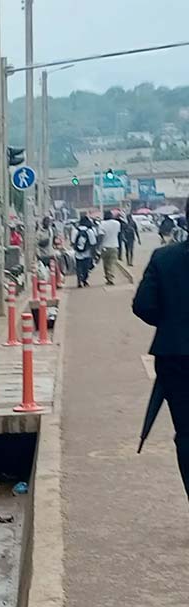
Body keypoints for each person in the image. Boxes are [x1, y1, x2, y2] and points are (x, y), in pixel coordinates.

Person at [133, 199, 189, 500]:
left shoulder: (163, 258)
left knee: (187, 434)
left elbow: (143, 306)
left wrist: (169, 321)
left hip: (176, 357)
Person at [98, 210, 124, 286]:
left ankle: (108, 277)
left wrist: (99, 246)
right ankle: (111, 277)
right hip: (115, 246)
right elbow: (118, 234)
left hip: (105, 246)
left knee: (106, 264)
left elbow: (101, 236)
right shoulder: (117, 223)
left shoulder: (102, 224)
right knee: (112, 263)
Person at [72, 215, 97, 287]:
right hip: (87, 253)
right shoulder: (89, 231)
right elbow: (93, 243)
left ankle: (79, 281)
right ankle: (85, 280)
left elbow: (73, 241)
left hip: (77, 253)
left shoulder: (75, 230)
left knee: (78, 267)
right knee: (86, 268)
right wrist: (94, 254)